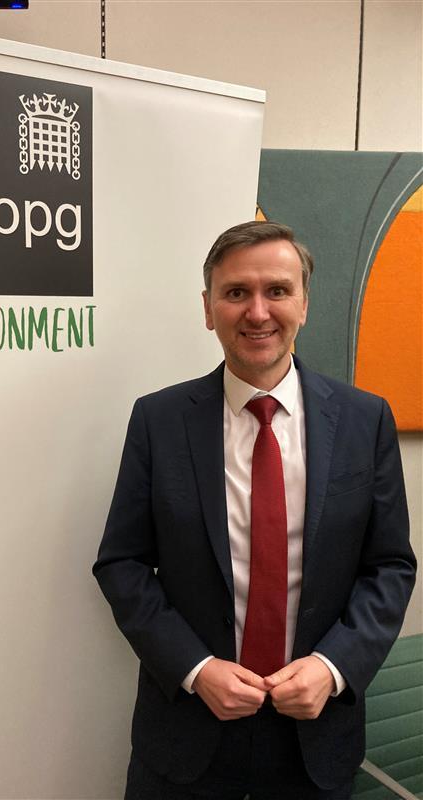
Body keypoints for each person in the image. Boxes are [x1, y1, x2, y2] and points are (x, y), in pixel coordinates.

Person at [92, 221, 416, 800]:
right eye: (236, 292)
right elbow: (122, 564)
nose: (258, 312)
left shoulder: (366, 421)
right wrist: (194, 668)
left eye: (278, 291)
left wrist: (334, 667)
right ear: (208, 308)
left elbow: (389, 566)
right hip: (187, 734)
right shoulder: (158, 421)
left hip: (315, 737)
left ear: (305, 304)